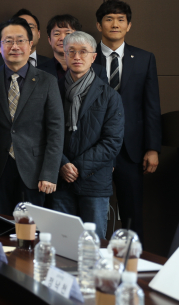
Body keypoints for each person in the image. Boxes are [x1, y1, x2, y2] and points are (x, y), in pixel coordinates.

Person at [94, 0, 161, 239]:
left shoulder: (144, 58)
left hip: (131, 150)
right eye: (109, 19)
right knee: (93, 214)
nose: (115, 24)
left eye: (121, 20)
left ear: (128, 25)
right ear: (99, 25)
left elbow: (151, 106)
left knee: (132, 216)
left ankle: (133, 259)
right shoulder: (87, 57)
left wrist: (152, 148)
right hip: (94, 147)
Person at [0, 18, 64, 214]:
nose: (15, 46)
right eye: (8, 41)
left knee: (31, 227)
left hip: (34, 171)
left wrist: (49, 173)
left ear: (30, 44)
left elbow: (55, 130)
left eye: (20, 40)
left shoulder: (47, 81)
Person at [51, 31, 124, 239]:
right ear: (64, 55)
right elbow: (44, 134)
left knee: (93, 245)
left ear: (93, 57)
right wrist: (62, 164)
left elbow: (112, 142)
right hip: (60, 180)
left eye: (83, 52)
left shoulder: (110, 96)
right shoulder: (52, 90)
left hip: (95, 182)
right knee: (61, 243)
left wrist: (77, 167)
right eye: (71, 52)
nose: (77, 57)